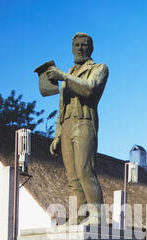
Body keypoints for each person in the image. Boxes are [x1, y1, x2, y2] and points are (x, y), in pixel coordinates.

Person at [47, 33, 108, 225]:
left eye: (84, 45)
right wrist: (57, 135)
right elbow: (61, 108)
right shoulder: (68, 75)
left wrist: (63, 76)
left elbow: (89, 88)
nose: (80, 48)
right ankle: (78, 215)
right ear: (72, 48)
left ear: (90, 49)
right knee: (72, 176)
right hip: (67, 124)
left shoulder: (99, 68)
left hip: (84, 122)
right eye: (77, 45)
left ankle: (97, 215)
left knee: (84, 171)